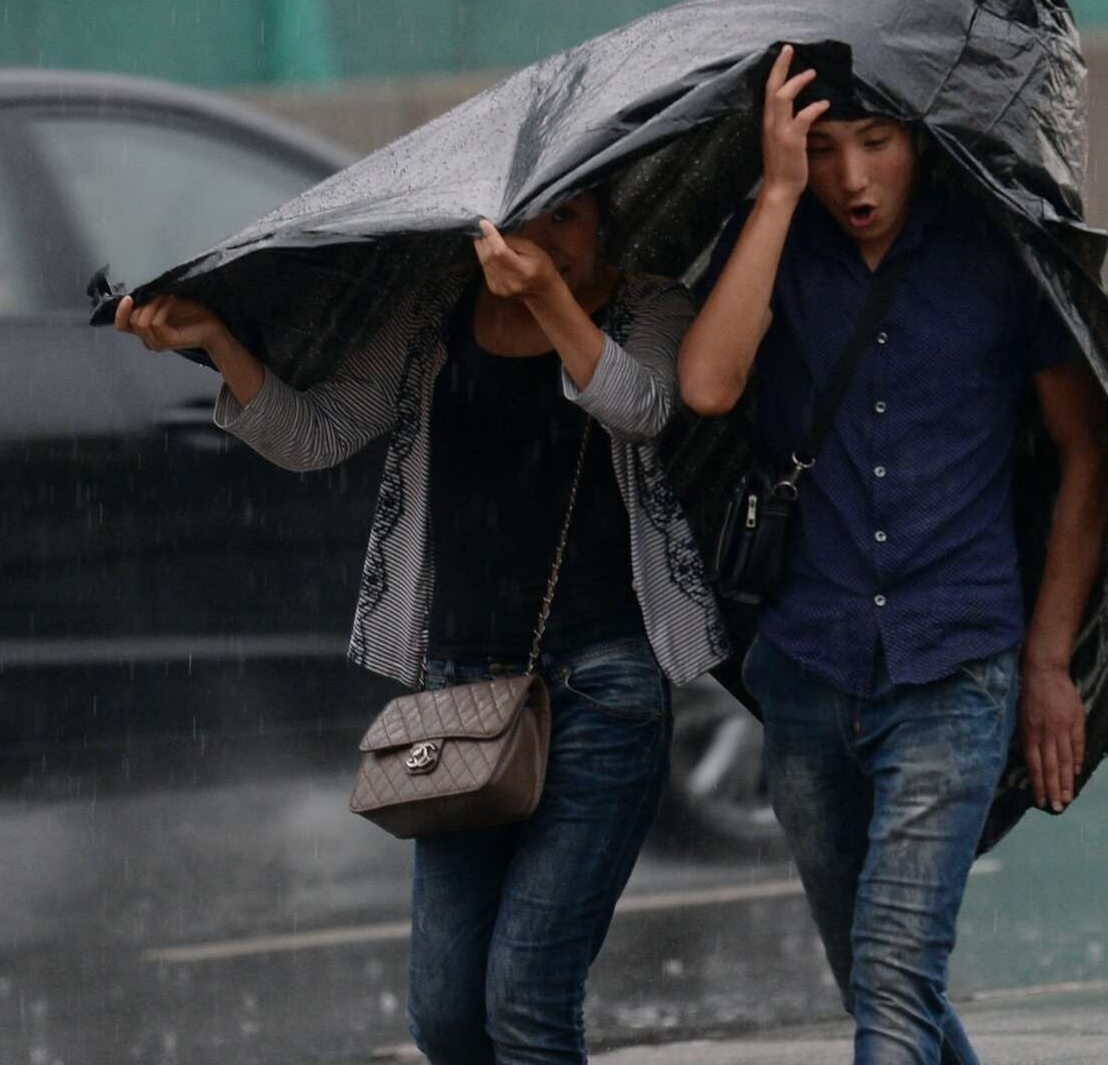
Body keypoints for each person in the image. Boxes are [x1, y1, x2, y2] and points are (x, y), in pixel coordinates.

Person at [114, 190, 729, 1064]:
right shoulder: (436, 312)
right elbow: (318, 434)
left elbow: (642, 405)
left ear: (607, 220)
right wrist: (216, 343)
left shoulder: (649, 305)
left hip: (605, 686)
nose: (548, 238)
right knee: (445, 1015)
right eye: (529, 216)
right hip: (460, 695)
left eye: (571, 216)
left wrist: (549, 296)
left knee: (526, 998)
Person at [676, 45, 1108, 1065]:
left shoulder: (995, 245)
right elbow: (704, 385)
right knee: (880, 985)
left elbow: (1084, 448)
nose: (852, 178)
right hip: (804, 668)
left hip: (952, 662)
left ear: (918, 134)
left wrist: (1046, 664)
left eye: (874, 144)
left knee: (891, 983)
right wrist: (777, 195)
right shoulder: (773, 235)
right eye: (822, 149)